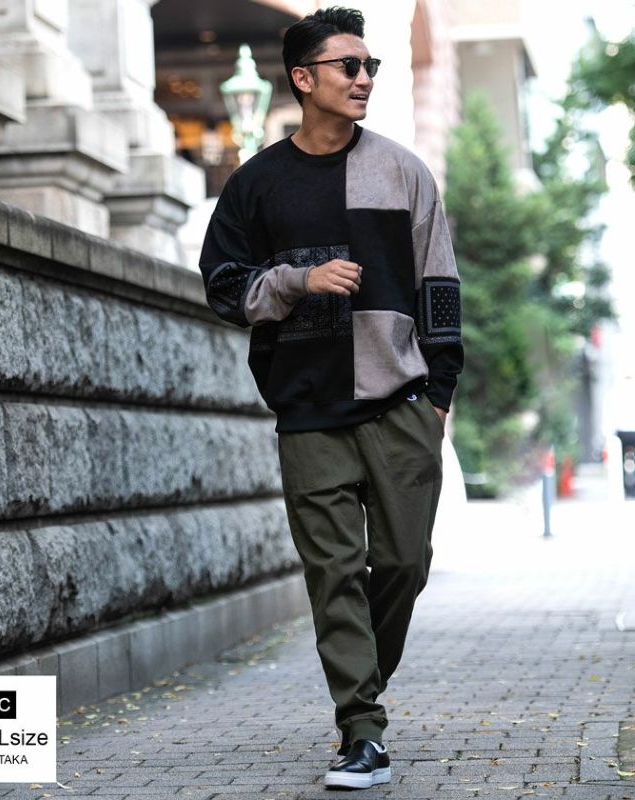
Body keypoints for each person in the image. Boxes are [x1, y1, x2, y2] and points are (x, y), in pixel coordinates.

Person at [198, 6, 463, 790]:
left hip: (400, 405)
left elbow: (440, 286)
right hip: (308, 411)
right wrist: (296, 281)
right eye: (348, 66)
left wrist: (439, 394)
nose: (364, 78)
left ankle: (360, 689)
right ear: (303, 78)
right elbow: (222, 286)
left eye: (370, 65)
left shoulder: (404, 172)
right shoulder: (256, 184)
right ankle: (362, 729)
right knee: (335, 574)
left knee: (404, 564)